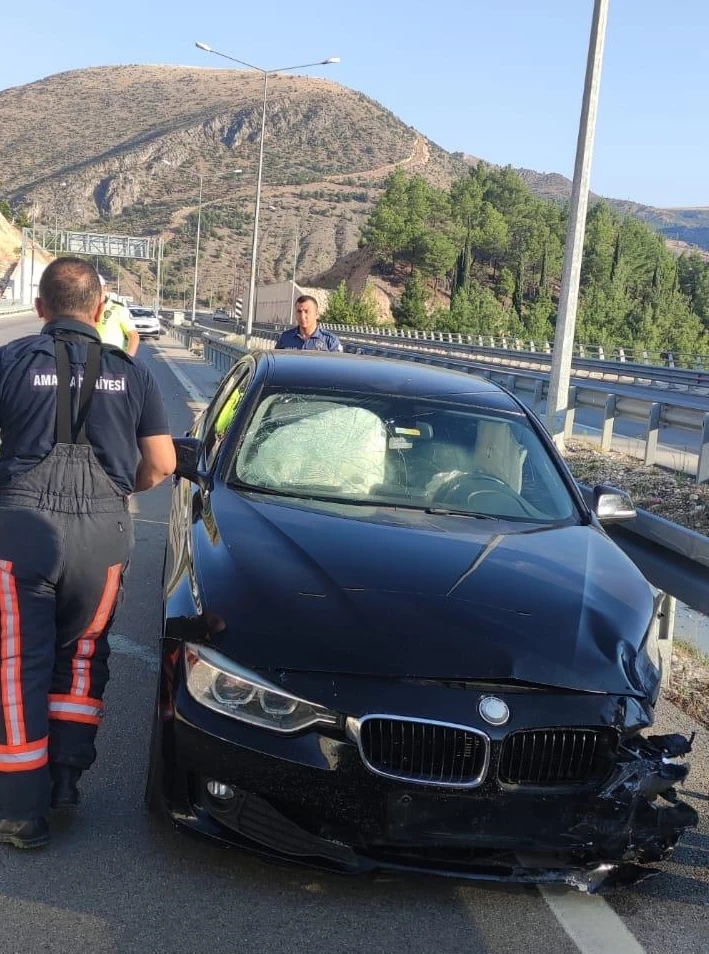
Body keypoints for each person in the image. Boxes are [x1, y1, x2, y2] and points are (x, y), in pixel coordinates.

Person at [0, 257, 176, 849]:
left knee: (18, 664)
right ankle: (65, 779)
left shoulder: (11, 361)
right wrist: (117, 491)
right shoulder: (132, 373)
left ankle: (20, 809)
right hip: (104, 536)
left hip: (22, 531)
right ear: (100, 310)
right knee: (81, 657)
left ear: (42, 308)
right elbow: (162, 464)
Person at [275, 295, 343, 352]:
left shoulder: (330, 341)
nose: (302, 316)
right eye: (299, 311)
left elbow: (339, 366)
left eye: (307, 311)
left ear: (317, 314)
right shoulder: (285, 337)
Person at [97, 274, 140, 357]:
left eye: (98, 287)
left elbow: (133, 336)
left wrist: (128, 359)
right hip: (89, 361)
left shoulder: (118, 308)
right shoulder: (83, 309)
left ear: (105, 288)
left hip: (113, 360)